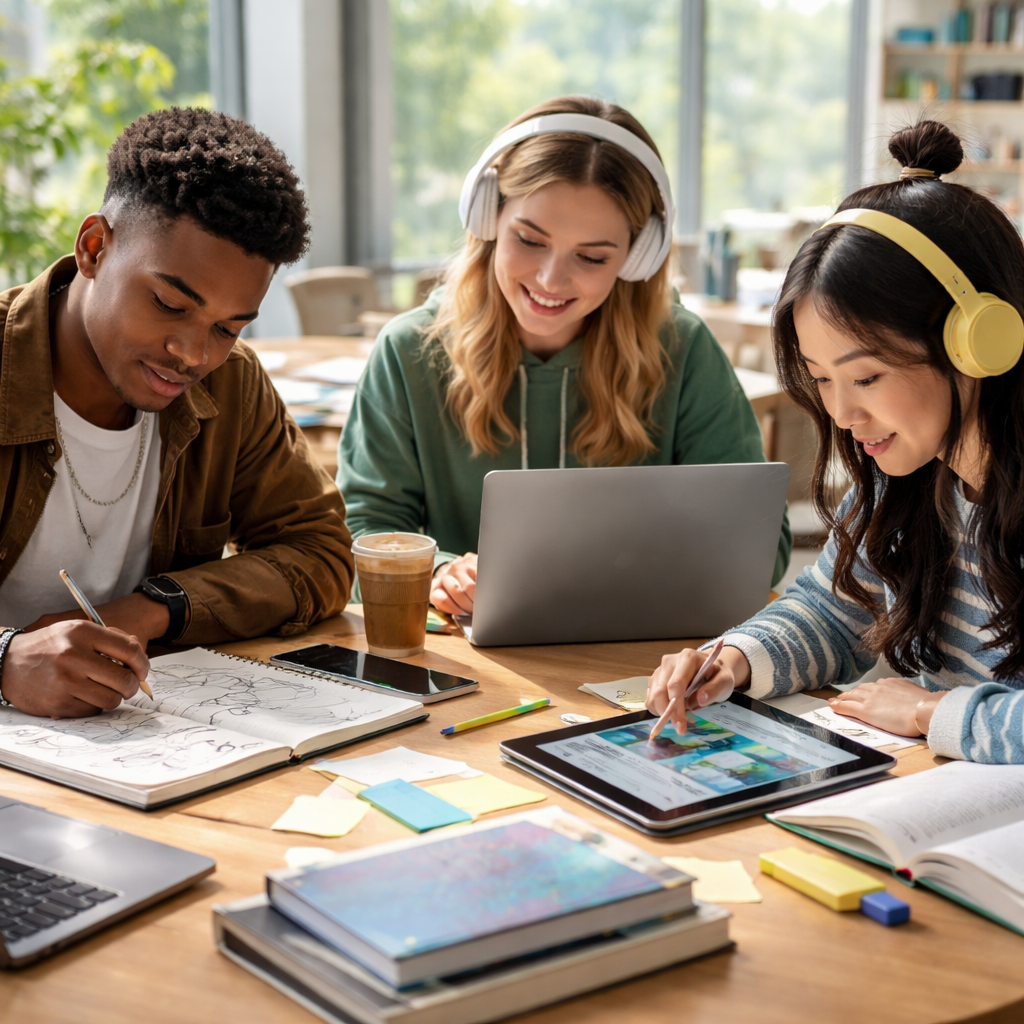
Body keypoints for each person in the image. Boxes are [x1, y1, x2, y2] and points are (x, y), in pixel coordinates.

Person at [647, 120, 1024, 764]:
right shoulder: (902, 476)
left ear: (977, 344)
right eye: (822, 379)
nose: (842, 412)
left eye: (866, 376)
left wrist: (934, 711)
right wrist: (735, 659)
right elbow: (833, 609)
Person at [338, 95, 792, 615]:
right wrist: (440, 571)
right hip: (468, 665)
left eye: (592, 256)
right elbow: (363, 530)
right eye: (529, 240)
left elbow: (759, 551)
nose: (551, 280)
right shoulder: (408, 351)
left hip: (637, 659)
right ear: (487, 218)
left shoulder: (684, 351)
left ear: (638, 256)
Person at [0, 108, 353, 719]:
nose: (193, 354)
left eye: (227, 327)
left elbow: (318, 551)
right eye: (168, 304)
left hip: (130, 747)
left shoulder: (232, 386)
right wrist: (4, 662)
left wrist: (155, 607)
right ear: (94, 247)